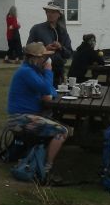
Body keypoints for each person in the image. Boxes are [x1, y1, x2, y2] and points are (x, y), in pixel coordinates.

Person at [6, 42, 68, 180]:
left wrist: (48, 88)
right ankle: (46, 167)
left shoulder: (32, 71)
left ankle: (40, 160)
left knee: (56, 123)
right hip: (20, 119)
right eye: (43, 57)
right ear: (35, 58)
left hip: (27, 115)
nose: (46, 60)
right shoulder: (27, 72)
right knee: (62, 131)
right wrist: (48, 70)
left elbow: (50, 91)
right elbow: (47, 89)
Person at [27, 2, 73, 84]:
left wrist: (60, 47)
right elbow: (28, 50)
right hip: (41, 71)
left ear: (59, 14)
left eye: (53, 12)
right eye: (48, 11)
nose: (50, 14)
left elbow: (69, 54)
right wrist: (45, 50)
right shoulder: (37, 29)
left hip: (58, 72)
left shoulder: (63, 32)